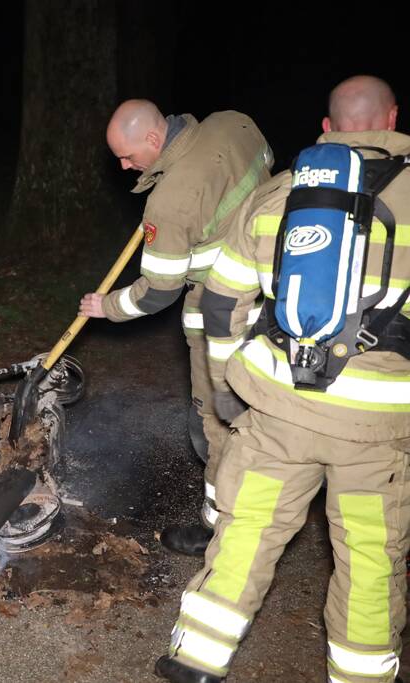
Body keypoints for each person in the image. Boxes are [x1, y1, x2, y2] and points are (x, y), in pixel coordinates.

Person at [156, 75, 410, 683]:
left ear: (327, 129)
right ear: (394, 117)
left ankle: (196, 659)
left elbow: (222, 302)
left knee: (247, 534)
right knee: (371, 559)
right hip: (378, 429)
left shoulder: (282, 193)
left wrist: (224, 386)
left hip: (278, 410)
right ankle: (362, 674)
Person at [80, 100, 273, 555]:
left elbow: (159, 290)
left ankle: (218, 527)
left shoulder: (168, 204)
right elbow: (265, 165)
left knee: (215, 420)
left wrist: (106, 306)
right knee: (261, 405)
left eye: (127, 157)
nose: (125, 167)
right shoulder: (234, 121)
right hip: (273, 292)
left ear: (152, 138)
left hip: (221, 313)